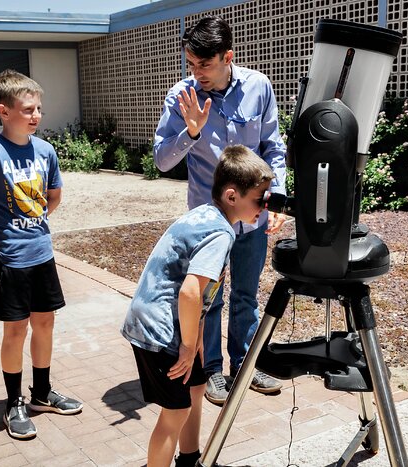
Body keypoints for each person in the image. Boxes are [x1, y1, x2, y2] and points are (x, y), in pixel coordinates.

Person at [154, 15, 288, 405]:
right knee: (208, 297)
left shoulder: (259, 87)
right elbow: (162, 160)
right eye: (191, 65)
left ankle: (244, 364)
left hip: (252, 216)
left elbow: (272, 148)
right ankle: (210, 370)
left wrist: (276, 197)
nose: (197, 74)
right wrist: (191, 131)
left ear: (227, 56)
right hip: (209, 224)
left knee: (246, 294)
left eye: (205, 65)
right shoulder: (182, 97)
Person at [0, 69, 82, 440]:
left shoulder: (46, 150)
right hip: (10, 260)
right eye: (27, 109)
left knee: (45, 324)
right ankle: (13, 402)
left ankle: (41, 394)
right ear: (4, 111)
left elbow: (53, 197)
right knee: (15, 331)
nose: (36, 115)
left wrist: (34, 222)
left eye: (39, 108)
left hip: (42, 254)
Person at [122, 145, 275, 467]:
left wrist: (200, 344)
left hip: (167, 322)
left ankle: (189, 459)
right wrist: (189, 347)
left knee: (197, 386)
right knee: (174, 411)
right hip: (159, 330)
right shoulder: (220, 233)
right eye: (259, 199)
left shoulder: (205, 214)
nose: (265, 206)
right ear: (233, 197)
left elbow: (202, 298)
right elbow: (191, 293)